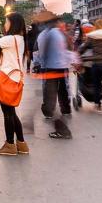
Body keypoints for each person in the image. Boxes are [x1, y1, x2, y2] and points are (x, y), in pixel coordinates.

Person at [0, 14, 28, 156]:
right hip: (15, 79)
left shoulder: (11, 39)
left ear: (13, 24)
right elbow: (0, 43)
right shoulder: (19, 39)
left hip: (7, 80)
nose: (5, 24)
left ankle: (10, 145)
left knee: (8, 114)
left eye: (7, 22)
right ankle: (21, 144)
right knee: (12, 113)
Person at [33, 10, 73, 139]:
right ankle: (66, 109)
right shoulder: (60, 33)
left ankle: (62, 129)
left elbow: (41, 53)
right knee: (62, 90)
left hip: (50, 68)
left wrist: (37, 65)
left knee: (49, 96)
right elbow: (68, 48)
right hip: (62, 67)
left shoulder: (44, 35)